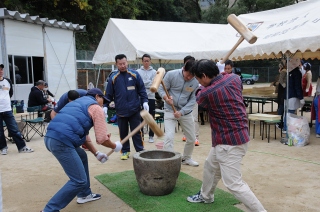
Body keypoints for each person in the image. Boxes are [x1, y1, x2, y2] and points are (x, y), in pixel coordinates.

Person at [187, 59, 266, 212]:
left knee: (234, 184)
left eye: (198, 79)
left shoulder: (207, 92)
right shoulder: (234, 79)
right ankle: (206, 196)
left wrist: (199, 86)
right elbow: (223, 78)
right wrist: (218, 74)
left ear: (204, 76)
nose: (198, 82)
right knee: (210, 166)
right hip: (237, 135)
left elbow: (199, 98)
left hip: (228, 143)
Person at [42, 88, 122, 211]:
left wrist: (97, 153)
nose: (103, 103)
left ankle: (84, 194)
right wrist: (115, 146)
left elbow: (83, 135)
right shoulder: (96, 108)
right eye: (102, 100)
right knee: (78, 180)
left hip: (50, 138)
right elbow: (102, 139)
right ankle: (49, 210)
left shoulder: (76, 103)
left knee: (82, 156)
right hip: (62, 141)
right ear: (97, 97)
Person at [105, 54, 148, 160]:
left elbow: (142, 90)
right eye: (120, 64)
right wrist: (105, 106)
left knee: (136, 131)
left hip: (134, 109)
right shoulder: (113, 77)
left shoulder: (135, 74)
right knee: (123, 132)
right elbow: (108, 95)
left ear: (127, 62)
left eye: (124, 63)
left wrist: (145, 102)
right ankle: (125, 151)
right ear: (116, 64)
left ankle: (140, 150)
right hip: (121, 110)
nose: (123, 66)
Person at [158, 56, 199, 167]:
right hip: (169, 109)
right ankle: (169, 161)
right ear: (184, 69)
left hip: (185, 112)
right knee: (169, 136)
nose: (189, 77)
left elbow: (193, 99)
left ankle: (186, 158)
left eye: (192, 75)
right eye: (188, 74)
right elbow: (161, 88)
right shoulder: (171, 74)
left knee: (191, 138)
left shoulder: (195, 81)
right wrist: (166, 98)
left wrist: (182, 112)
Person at [0, 63, 34, 155]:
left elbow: (10, 93)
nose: (0, 71)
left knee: (14, 129)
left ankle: (22, 147)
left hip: (7, 109)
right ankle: (3, 147)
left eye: (1, 69)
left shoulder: (7, 81)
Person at [136, 54, 157, 143]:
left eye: (148, 60)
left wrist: (144, 84)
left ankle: (151, 136)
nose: (146, 62)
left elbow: (154, 84)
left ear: (150, 61)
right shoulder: (138, 72)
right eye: (145, 61)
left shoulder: (154, 72)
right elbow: (138, 84)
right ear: (142, 61)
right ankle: (141, 135)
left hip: (151, 97)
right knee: (140, 117)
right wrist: (147, 83)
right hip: (140, 97)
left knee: (151, 116)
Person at [282, 57, 304, 136]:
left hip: (287, 95)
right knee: (291, 114)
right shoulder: (296, 72)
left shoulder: (289, 71)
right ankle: (288, 129)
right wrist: (301, 97)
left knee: (287, 113)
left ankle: (285, 128)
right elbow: (297, 86)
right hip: (293, 96)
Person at [276, 61, 287, 130]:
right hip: (282, 91)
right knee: (281, 107)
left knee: (282, 107)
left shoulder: (284, 71)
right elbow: (280, 80)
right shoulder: (284, 71)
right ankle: (279, 122)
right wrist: (284, 86)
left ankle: (280, 122)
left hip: (282, 91)